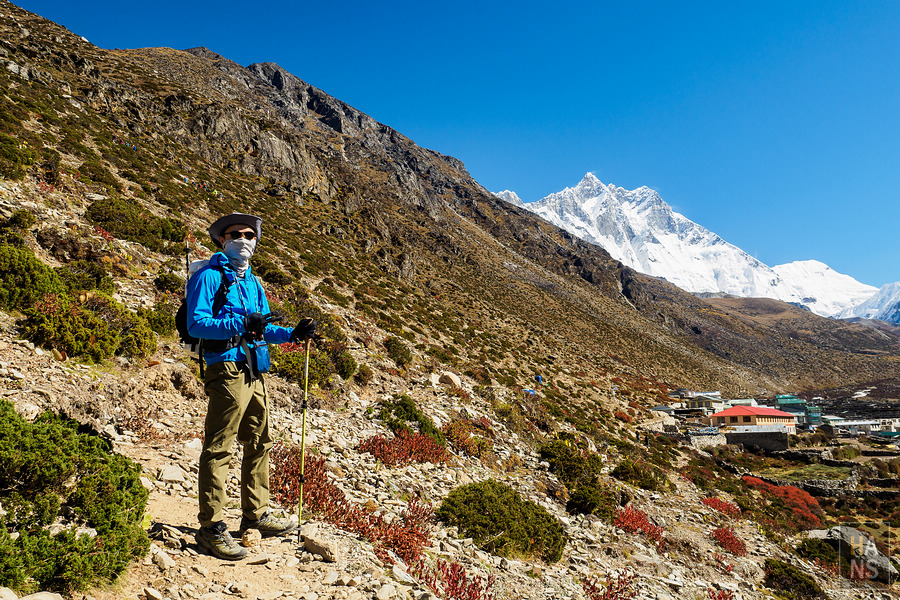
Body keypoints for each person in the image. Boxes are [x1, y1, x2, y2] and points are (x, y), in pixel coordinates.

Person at [187, 212, 316, 561]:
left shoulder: (254, 282)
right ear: (220, 240)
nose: (243, 239)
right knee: (220, 445)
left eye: (249, 234)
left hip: (254, 366)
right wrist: (241, 323)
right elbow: (198, 324)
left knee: (260, 440)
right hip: (226, 366)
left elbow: (262, 327)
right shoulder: (210, 278)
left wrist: (292, 334)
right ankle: (211, 527)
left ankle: (256, 514)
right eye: (235, 234)